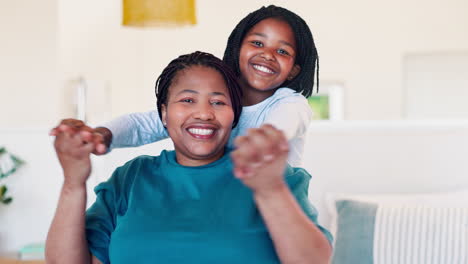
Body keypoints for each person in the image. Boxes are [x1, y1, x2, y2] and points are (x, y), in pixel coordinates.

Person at [45, 52, 332, 264]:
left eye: (218, 102)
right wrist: (73, 181)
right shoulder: (130, 179)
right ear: (164, 114)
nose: (204, 113)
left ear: (235, 116)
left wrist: (271, 191)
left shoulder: (276, 177)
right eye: (187, 100)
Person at [51, 5, 319, 167]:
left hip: (277, 220)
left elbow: (281, 128)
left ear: (295, 68)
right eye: (257, 43)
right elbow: (146, 124)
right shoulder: (215, 98)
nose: (268, 55)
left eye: (282, 52)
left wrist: (261, 144)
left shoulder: (289, 104)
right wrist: (102, 135)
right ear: (237, 47)